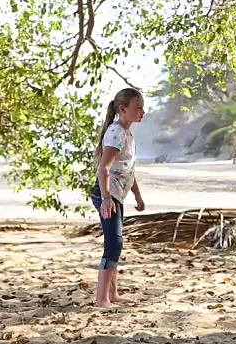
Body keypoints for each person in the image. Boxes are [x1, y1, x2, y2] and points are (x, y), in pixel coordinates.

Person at [91, 88, 146, 308]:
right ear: (123, 109)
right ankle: (101, 299)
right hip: (107, 194)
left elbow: (128, 170)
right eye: (138, 108)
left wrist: (138, 195)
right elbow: (103, 168)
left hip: (116, 194)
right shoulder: (115, 133)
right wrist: (106, 198)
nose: (142, 112)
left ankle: (113, 295)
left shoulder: (127, 134)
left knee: (116, 243)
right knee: (114, 244)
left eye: (143, 108)